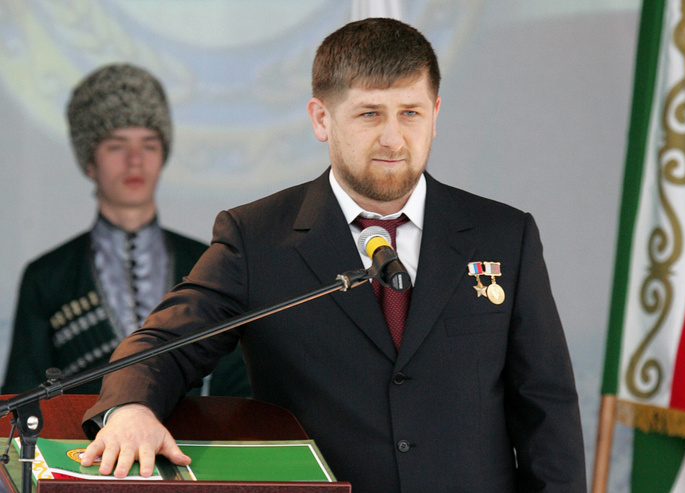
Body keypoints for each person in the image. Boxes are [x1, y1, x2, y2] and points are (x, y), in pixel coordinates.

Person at [81, 20, 586, 492]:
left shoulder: (504, 235)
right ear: (322, 118)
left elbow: (546, 409)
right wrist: (130, 409)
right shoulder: (256, 238)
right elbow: (163, 344)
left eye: (410, 113)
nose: (393, 138)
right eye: (369, 114)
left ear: (435, 116)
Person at [1, 63, 249, 398]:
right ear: (90, 161)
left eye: (149, 144)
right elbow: (22, 398)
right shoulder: (47, 278)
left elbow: (238, 389)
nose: (135, 160)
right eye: (116, 145)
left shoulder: (209, 262)